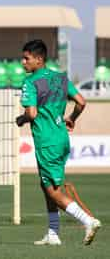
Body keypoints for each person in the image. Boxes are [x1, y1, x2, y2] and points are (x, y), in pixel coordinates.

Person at [16, 39, 101, 246]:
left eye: (26, 58)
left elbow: (32, 113)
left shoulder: (30, 82)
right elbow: (81, 101)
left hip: (46, 142)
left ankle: (87, 221)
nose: (23, 62)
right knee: (47, 185)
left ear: (39, 59)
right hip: (62, 139)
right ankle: (53, 233)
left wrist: (22, 119)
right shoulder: (61, 78)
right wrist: (71, 118)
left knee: (53, 191)